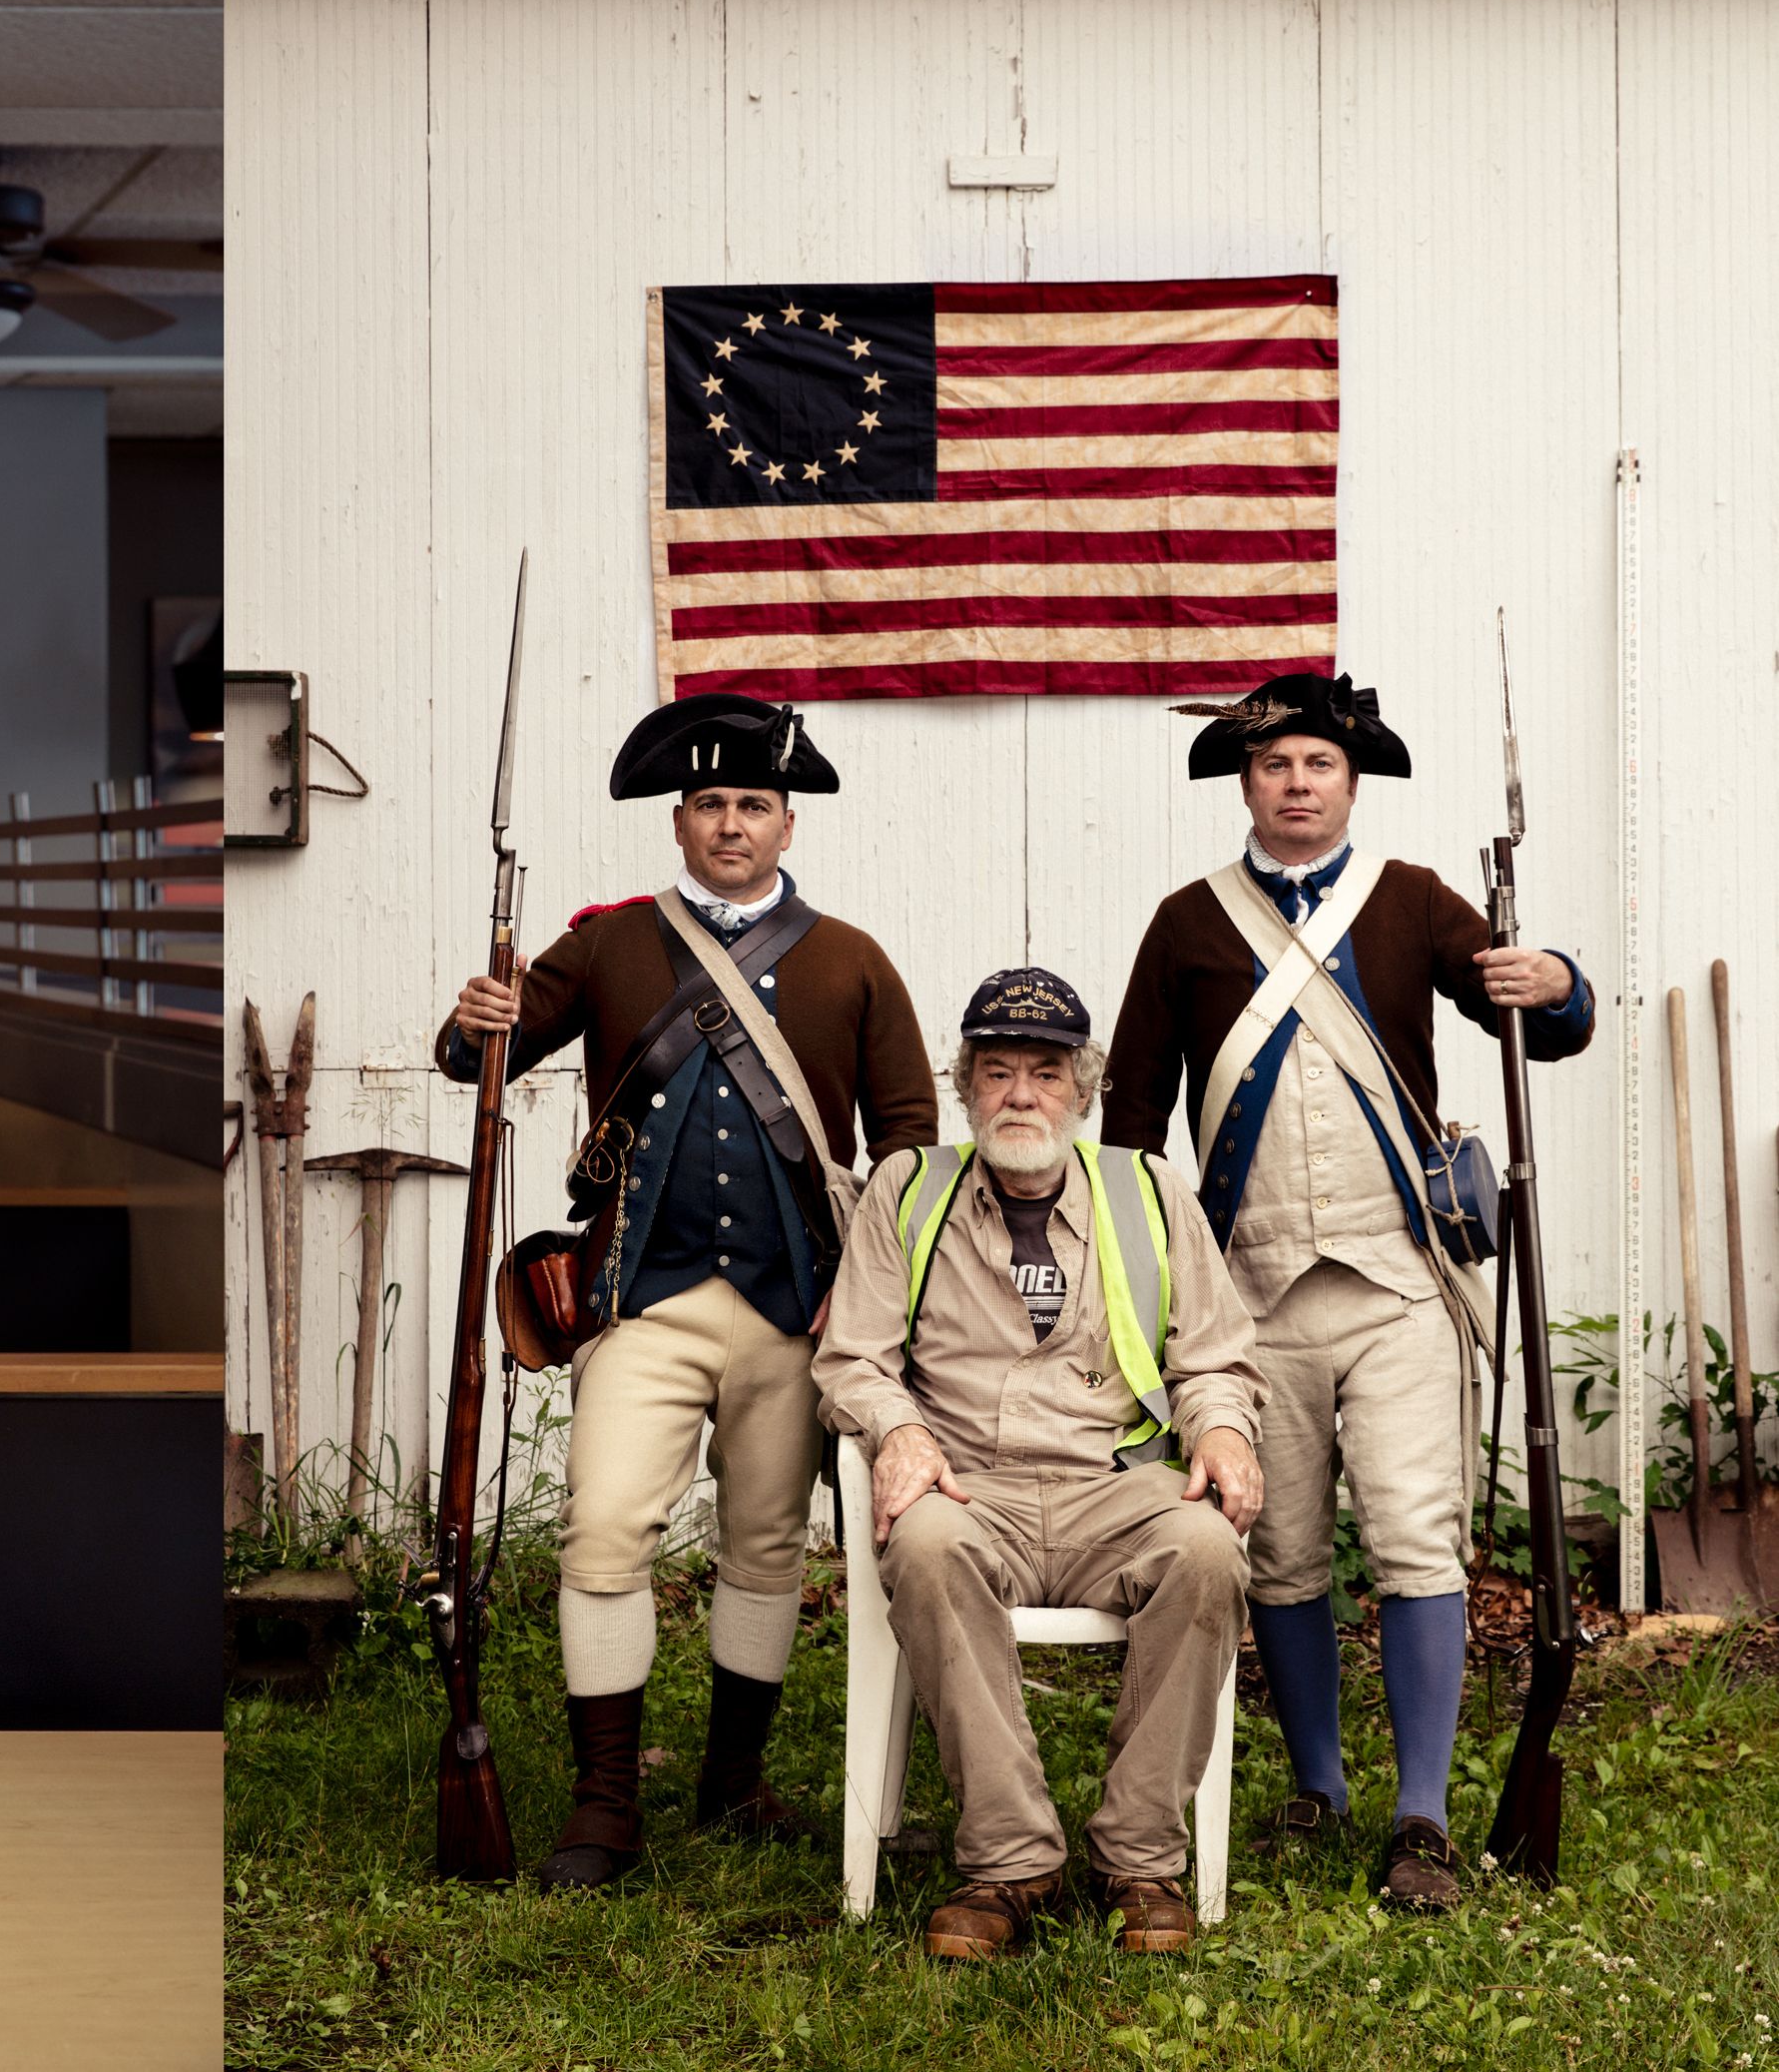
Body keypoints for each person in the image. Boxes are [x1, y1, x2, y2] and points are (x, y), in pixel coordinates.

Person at [1103, 672, 1593, 1910]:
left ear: (1348, 778)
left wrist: (1558, 982)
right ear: (1245, 782)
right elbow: (1124, 1123)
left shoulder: (1412, 901)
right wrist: (1139, 1288)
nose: (1296, 784)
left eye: (1316, 764)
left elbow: (1534, 1016)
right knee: (1274, 1546)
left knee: (1414, 1532)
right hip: (1244, 1290)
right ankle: (1314, 1781)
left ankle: (1417, 1813)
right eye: (1273, 767)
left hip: (1393, 1280)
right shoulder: (1184, 921)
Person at [440, 692, 935, 1889]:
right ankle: (603, 1804)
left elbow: (911, 1143)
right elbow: (486, 1052)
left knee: (766, 1546)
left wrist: (873, 1302)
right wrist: (472, 1020)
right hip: (642, 1302)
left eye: (752, 804)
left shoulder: (849, 959)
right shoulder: (611, 943)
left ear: (785, 824)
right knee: (603, 1530)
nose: (730, 823)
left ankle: (730, 1779)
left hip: (790, 1309)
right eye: (709, 803)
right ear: (678, 821)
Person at [817, 969, 1266, 1958]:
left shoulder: (1146, 1191)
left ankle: (1137, 1857)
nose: (1019, 1093)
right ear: (963, 1084)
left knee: (1204, 1551)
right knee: (925, 1547)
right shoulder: (908, 1188)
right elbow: (852, 1355)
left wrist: (1224, 1426)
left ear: (1082, 1088)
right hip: (967, 1483)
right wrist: (896, 1429)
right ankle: (1010, 1860)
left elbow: (1214, 1357)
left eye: (1043, 1071)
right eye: (995, 1069)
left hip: (1116, 1483)